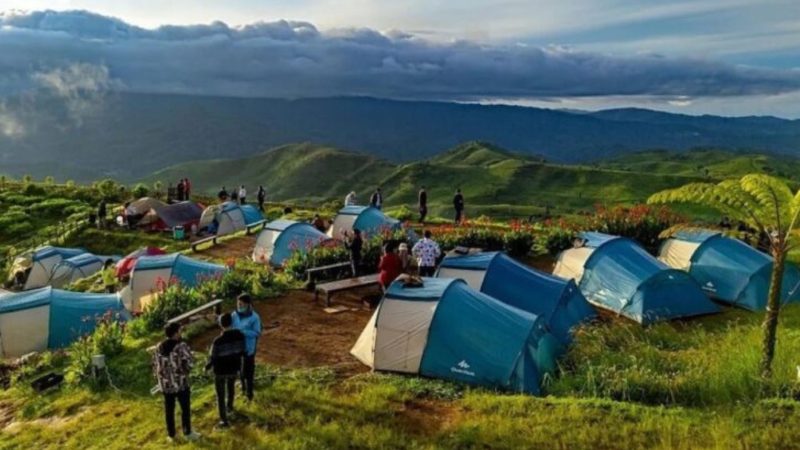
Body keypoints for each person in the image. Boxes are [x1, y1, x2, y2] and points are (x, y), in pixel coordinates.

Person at [153, 323, 200, 443]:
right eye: (180, 330)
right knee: (185, 408)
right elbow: (189, 364)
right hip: (180, 383)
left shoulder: (159, 346)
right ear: (175, 333)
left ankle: (171, 435)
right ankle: (188, 432)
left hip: (166, 384)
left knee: (169, 409)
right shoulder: (181, 346)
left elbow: (156, 364)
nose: (181, 332)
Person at [205, 313, 246, 428]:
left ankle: (224, 419)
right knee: (231, 387)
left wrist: (207, 366)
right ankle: (230, 407)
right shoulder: (240, 335)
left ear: (220, 325)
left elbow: (213, 357)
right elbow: (243, 351)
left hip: (220, 371)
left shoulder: (217, 341)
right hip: (234, 368)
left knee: (220, 395)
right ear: (232, 323)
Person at [232, 294, 262, 402]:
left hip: (248, 348)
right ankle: (243, 388)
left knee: (249, 371)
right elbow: (230, 326)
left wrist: (243, 332)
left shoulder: (254, 317)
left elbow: (257, 333)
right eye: (238, 304)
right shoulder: (234, 315)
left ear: (248, 304)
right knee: (240, 368)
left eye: (241, 304)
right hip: (237, 348)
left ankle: (250, 393)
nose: (239, 306)